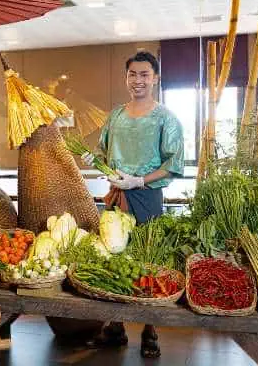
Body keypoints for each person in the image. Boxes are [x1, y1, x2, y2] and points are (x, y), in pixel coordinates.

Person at [82, 51, 184, 358]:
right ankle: (115, 327)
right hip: (117, 196)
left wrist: (140, 181)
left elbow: (174, 163)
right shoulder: (116, 115)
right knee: (116, 260)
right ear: (126, 78)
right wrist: (95, 161)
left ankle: (150, 330)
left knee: (148, 261)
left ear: (155, 78)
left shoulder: (165, 118)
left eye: (144, 74)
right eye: (132, 74)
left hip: (147, 196)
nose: (137, 80)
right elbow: (102, 153)